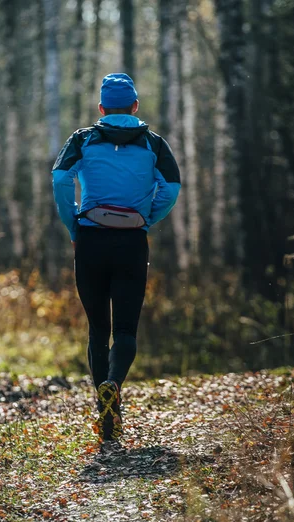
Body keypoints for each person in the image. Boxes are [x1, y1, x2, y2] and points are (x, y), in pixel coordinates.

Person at [52, 73, 180, 452]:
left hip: (90, 239)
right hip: (131, 244)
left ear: (102, 108)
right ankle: (114, 386)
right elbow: (171, 188)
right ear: (136, 107)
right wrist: (147, 217)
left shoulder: (83, 138)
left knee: (97, 329)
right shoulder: (154, 143)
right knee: (125, 330)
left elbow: (60, 178)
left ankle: (103, 403)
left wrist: (72, 221)